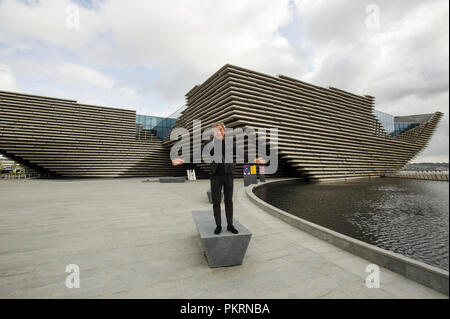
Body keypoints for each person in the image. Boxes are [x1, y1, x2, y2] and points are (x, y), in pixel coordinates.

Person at [172, 122, 265, 235]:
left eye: (220, 130)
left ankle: (230, 225)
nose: (218, 132)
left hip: (228, 176)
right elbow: (197, 154)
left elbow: (242, 153)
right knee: (216, 202)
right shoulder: (209, 144)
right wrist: (182, 160)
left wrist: (255, 160)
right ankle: (218, 226)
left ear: (224, 131)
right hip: (215, 176)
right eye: (216, 131)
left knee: (228, 201)